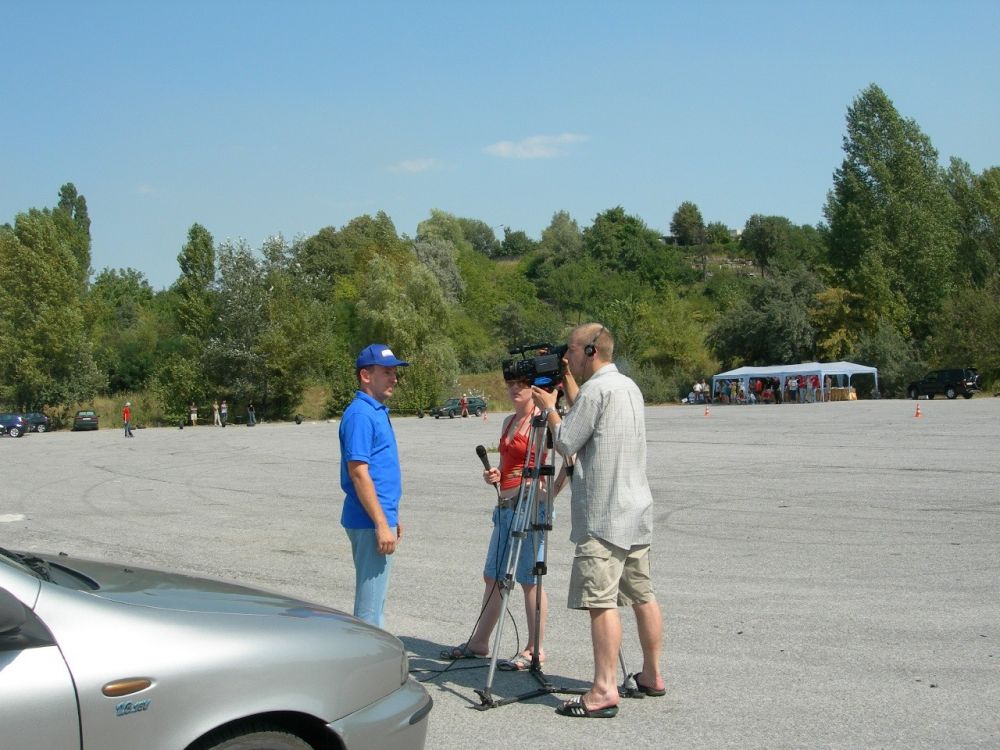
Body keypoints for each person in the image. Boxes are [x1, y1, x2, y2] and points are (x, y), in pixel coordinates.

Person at [532, 323, 665, 719]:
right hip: (635, 510)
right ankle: (652, 676)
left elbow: (568, 441)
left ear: (590, 350)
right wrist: (570, 390)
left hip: (605, 517)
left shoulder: (595, 391)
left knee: (601, 601)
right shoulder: (627, 386)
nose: (566, 358)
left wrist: (550, 409)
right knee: (643, 594)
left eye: (571, 350)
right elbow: (590, 423)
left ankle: (604, 689)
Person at [440, 374, 567, 669]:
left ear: (535, 389)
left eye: (520, 384)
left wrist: (550, 495)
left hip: (530, 508)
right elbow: (506, 464)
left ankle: (535, 648)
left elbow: (568, 457)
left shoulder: (544, 418)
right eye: (510, 384)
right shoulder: (508, 421)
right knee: (493, 574)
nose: (513, 389)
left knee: (528, 579)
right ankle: (480, 641)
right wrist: (495, 474)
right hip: (506, 506)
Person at [339, 343, 409, 628]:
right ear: (366, 376)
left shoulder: (375, 411)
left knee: (375, 603)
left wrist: (390, 516)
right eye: (387, 372)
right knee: (369, 610)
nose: (394, 378)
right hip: (369, 522)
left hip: (378, 517)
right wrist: (381, 523)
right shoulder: (360, 414)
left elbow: (379, 473)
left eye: (395, 372)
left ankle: (370, 666)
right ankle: (366, 668)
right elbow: (359, 473)